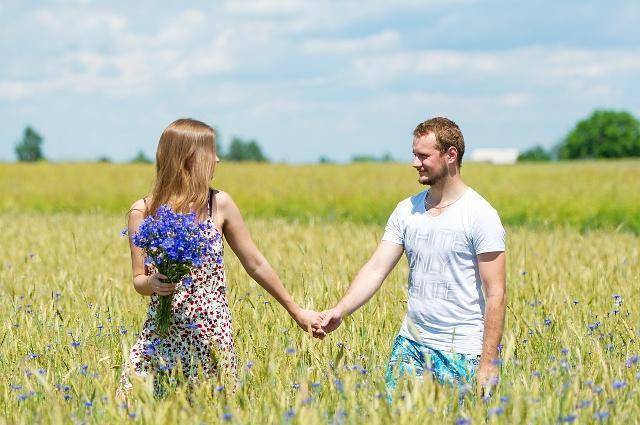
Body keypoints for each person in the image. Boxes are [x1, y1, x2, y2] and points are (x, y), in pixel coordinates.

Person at [118, 118, 323, 397]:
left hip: (211, 339)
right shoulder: (142, 211)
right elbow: (138, 280)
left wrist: (297, 311)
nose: (217, 159)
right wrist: (153, 283)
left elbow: (256, 263)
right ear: (189, 158)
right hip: (160, 339)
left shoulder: (220, 204)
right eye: (210, 152)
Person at [314, 117, 506, 397]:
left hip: (463, 351)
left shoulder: (481, 215)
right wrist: (341, 310)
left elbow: (496, 293)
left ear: (451, 155)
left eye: (423, 155)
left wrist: (489, 363)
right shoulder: (406, 211)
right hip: (410, 345)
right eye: (414, 154)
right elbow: (376, 269)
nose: (415, 163)